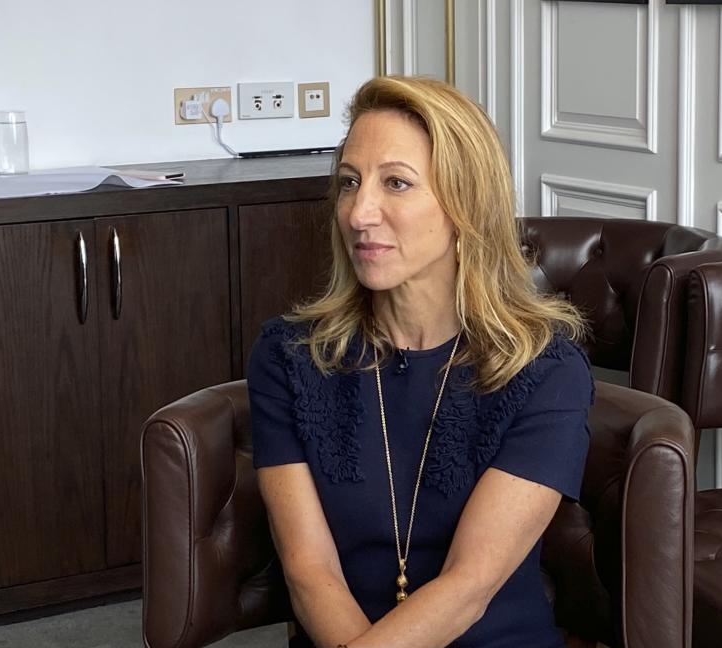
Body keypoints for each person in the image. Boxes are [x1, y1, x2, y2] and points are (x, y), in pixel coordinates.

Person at [248, 75, 595, 648]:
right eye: (350, 183)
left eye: (397, 184)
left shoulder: (545, 370)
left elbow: (469, 586)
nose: (360, 212)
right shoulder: (290, 356)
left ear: (465, 204)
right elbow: (310, 574)